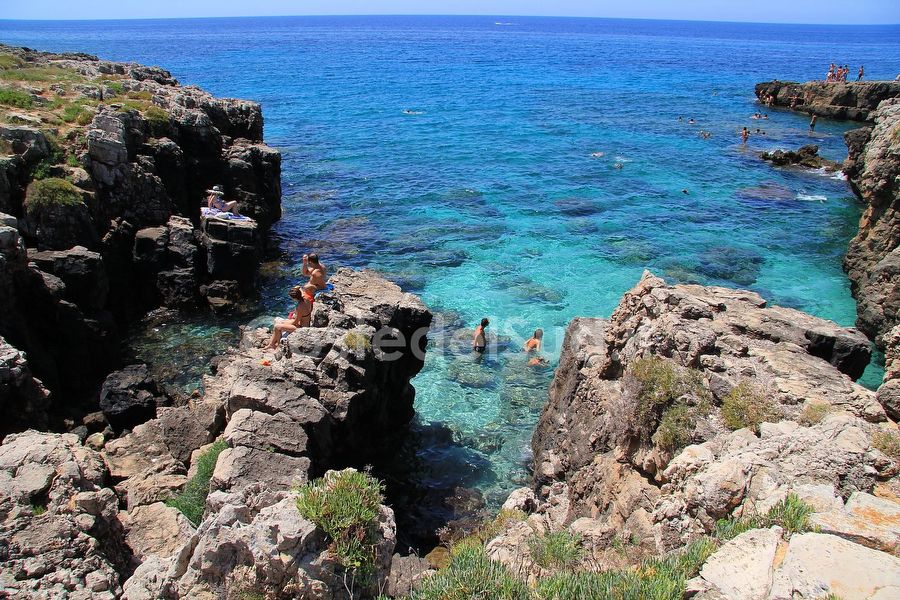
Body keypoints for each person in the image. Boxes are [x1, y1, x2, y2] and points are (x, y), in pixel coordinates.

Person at [265, 283, 315, 350]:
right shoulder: (306, 298)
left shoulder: (299, 307)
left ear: (294, 298)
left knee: (277, 326)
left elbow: (296, 322)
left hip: (302, 328)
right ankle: (271, 344)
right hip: (304, 322)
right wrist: (297, 289)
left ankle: (278, 345)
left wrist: (285, 323)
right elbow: (299, 288)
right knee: (279, 322)